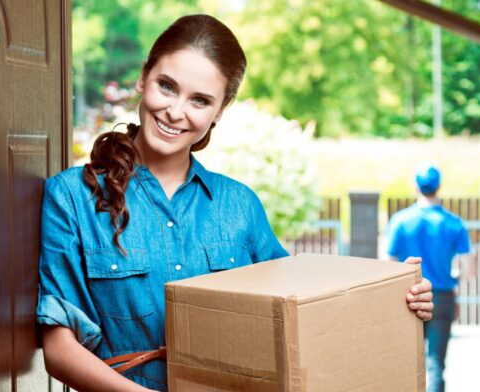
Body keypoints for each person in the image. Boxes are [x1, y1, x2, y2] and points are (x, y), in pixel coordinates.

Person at [37, 14, 435, 392]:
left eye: (200, 101)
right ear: (143, 78)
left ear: (219, 112)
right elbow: (59, 349)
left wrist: (396, 300)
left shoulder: (240, 206)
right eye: (167, 86)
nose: (175, 112)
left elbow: (303, 318)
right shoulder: (71, 197)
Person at [385, 164, 470, 392]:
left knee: (407, 364)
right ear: (439, 187)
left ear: (415, 187)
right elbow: (467, 268)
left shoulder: (400, 222)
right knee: (435, 365)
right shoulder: (454, 223)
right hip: (442, 299)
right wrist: (454, 288)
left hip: (408, 299)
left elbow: (387, 264)